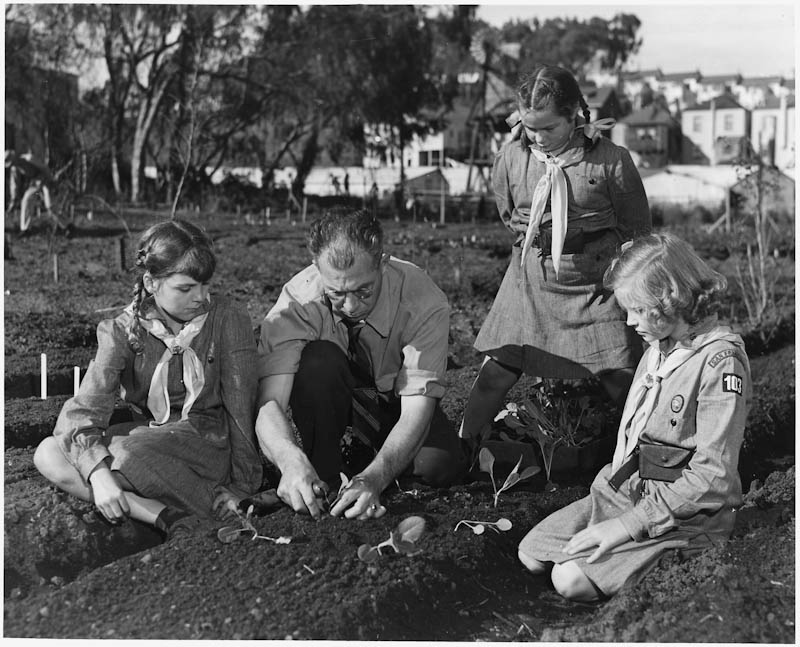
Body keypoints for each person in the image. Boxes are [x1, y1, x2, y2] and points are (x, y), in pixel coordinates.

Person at [517, 233, 751, 601]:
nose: (629, 321)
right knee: (531, 553)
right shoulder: (657, 350)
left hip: (685, 516)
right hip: (628, 490)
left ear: (672, 300)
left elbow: (714, 475)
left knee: (568, 579)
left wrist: (628, 525)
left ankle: (682, 560)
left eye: (638, 310)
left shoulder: (718, 362)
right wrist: (618, 512)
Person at [459, 64, 652, 450]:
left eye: (549, 128)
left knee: (619, 377)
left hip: (595, 287)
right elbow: (508, 214)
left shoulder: (610, 161)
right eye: (531, 128)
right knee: (497, 371)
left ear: (574, 115)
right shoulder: (512, 158)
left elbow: (637, 228)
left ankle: (650, 451)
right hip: (530, 283)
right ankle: (461, 448)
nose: (539, 138)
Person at [33, 219, 263, 538]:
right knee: (48, 452)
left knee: (125, 452)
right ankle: (166, 517)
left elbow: (241, 409)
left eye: (205, 285)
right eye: (185, 288)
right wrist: (99, 476)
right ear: (152, 282)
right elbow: (83, 411)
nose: (200, 297)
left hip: (205, 446)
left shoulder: (227, 317)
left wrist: (242, 486)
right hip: (147, 439)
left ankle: (188, 505)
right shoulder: (122, 331)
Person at [253, 208, 466, 521]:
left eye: (363, 289)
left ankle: (367, 469)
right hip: (331, 400)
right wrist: (289, 459)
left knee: (439, 465)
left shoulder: (422, 299)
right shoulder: (296, 303)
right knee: (317, 362)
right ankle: (324, 470)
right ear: (316, 267)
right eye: (337, 293)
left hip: (395, 403)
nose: (351, 305)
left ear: (382, 262)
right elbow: (269, 403)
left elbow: (416, 411)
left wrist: (373, 479)